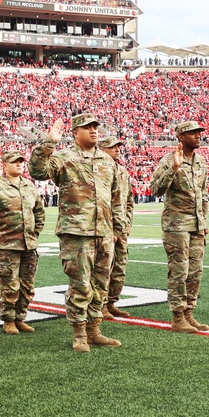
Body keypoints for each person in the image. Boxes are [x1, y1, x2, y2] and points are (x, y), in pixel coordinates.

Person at [29, 113, 126, 352]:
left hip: (104, 233)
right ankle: (80, 334)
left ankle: (95, 330)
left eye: (95, 127)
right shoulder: (64, 157)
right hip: (77, 233)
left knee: (101, 285)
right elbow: (38, 172)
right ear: (75, 133)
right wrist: (49, 142)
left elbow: (116, 197)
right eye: (87, 127)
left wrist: (117, 229)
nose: (94, 131)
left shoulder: (106, 160)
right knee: (80, 285)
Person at [149, 121, 209, 333]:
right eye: (193, 133)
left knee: (195, 272)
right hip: (176, 225)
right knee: (179, 271)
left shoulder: (201, 162)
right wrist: (173, 169)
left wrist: (204, 221)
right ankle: (177, 316)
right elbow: (155, 190)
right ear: (181, 137)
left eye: (199, 133)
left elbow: (204, 194)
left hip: (196, 225)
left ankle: (189, 314)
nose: (198, 136)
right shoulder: (169, 161)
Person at [0, 150, 44, 335]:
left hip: (28, 244)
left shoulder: (29, 186)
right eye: (14, 162)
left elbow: (38, 211)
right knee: (10, 285)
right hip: (6, 244)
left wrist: (35, 232)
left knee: (27, 285)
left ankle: (20, 318)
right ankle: (8, 319)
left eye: (21, 161)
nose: (19, 164)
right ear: (5, 165)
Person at [99, 134, 134, 319]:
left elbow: (129, 201)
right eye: (113, 147)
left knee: (120, 266)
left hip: (121, 227)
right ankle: (101, 304)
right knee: (104, 268)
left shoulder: (123, 171)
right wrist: (109, 229)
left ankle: (112, 301)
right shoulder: (99, 169)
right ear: (102, 149)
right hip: (105, 227)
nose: (117, 149)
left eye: (118, 146)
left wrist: (126, 223)